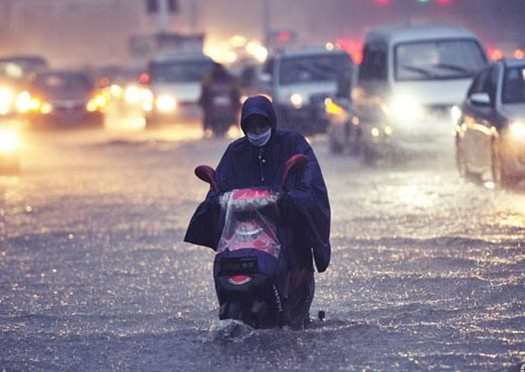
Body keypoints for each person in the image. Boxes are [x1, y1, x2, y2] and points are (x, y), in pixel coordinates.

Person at [185, 95, 331, 329]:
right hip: (244, 233)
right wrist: (214, 201)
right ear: (243, 127)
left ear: (271, 122)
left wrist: (289, 198)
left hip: (284, 225)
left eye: (261, 125)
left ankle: (293, 306)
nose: (257, 130)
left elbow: (310, 183)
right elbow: (220, 185)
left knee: (296, 249)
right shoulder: (236, 151)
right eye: (251, 126)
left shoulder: (292, 143)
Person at [199, 62, 241, 134]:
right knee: (207, 113)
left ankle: (237, 126)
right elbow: (204, 91)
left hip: (227, 103)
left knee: (235, 111)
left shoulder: (230, 78)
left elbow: (236, 92)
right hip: (212, 103)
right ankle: (206, 128)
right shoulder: (209, 78)